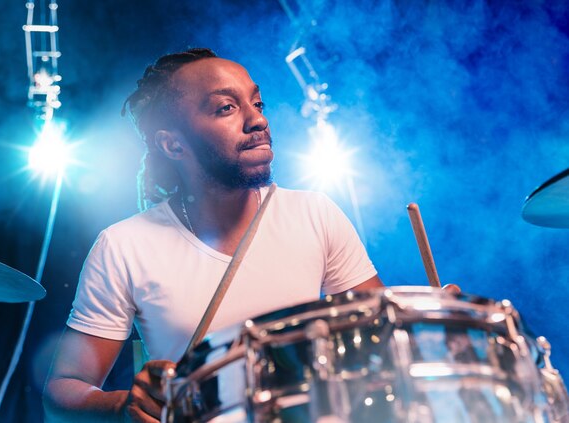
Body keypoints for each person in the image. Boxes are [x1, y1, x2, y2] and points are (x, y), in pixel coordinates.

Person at [43, 47, 383, 422]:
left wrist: (436, 330)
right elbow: (61, 393)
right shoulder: (124, 246)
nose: (257, 120)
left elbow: (382, 335)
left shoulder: (315, 213)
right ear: (173, 144)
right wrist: (122, 405)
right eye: (226, 108)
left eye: (257, 103)